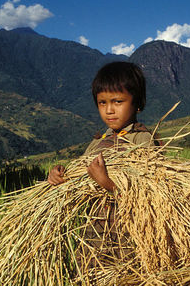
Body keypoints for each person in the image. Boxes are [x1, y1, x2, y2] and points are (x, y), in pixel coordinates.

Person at [47, 61, 156, 191]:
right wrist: (60, 175)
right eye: (102, 103)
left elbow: (148, 191)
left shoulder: (141, 139)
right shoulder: (98, 142)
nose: (109, 110)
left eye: (118, 101)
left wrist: (106, 183)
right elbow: (78, 174)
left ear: (137, 102)